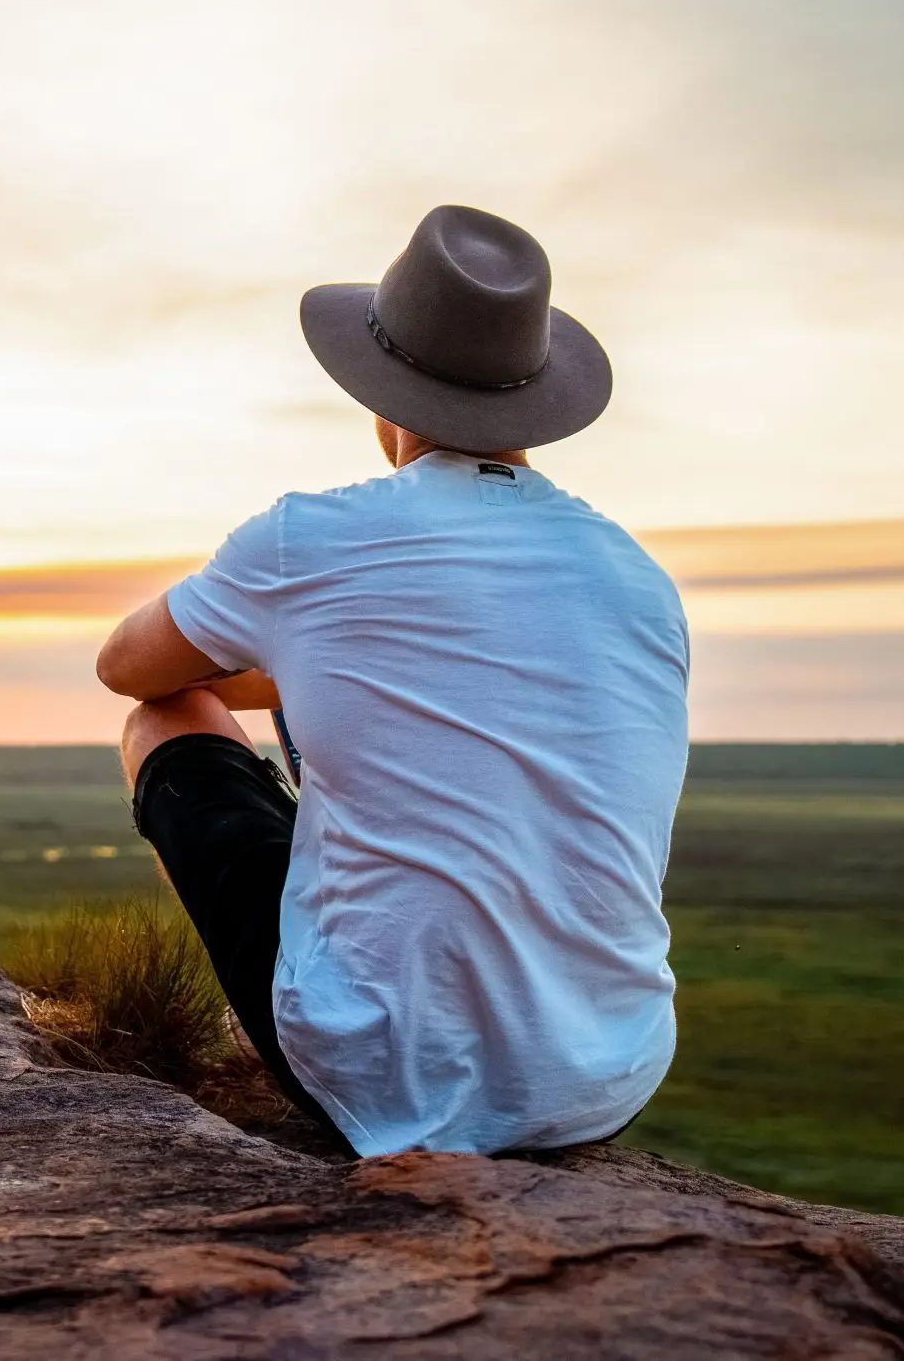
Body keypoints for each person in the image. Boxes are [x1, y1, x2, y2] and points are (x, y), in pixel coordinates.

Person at [96, 204, 689, 1157]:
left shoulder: (308, 539)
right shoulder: (636, 577)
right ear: (535, 398)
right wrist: (304, 670)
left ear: (383, 393)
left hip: (385, 1077)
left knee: (164, 719)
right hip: (605, 1075)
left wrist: (279, 653)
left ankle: (286, 1010)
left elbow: (128, 666)